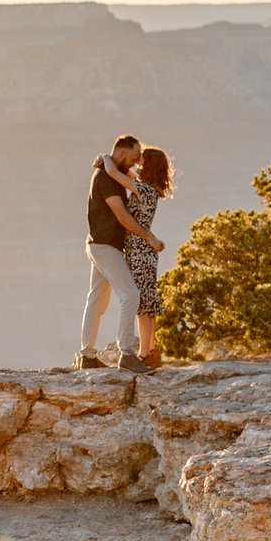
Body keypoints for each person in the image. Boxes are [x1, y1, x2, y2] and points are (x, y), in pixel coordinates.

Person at [81, 134, 165, 372]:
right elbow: (122, 216)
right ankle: (127, 354)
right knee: (130, 295)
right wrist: (150, 237)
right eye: (134, 156)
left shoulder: (118, 176)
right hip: (106, 246)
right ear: (122, 153)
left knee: (96, 300)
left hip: (102, 245)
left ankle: (87, 355)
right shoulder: (108, 178)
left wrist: (105, 158)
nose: (136, 161)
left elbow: (126, 175)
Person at [122, 147, 172, 367]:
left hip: (138, 249)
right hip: (145, 250)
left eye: (141, 162)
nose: (137, 166)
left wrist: (106, 161)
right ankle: (151, 350)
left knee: (143, 304)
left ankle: (144, 353)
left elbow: (118, 176)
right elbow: (131, 177)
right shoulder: (151, 189)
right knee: (148, 302)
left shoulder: (144, 190)